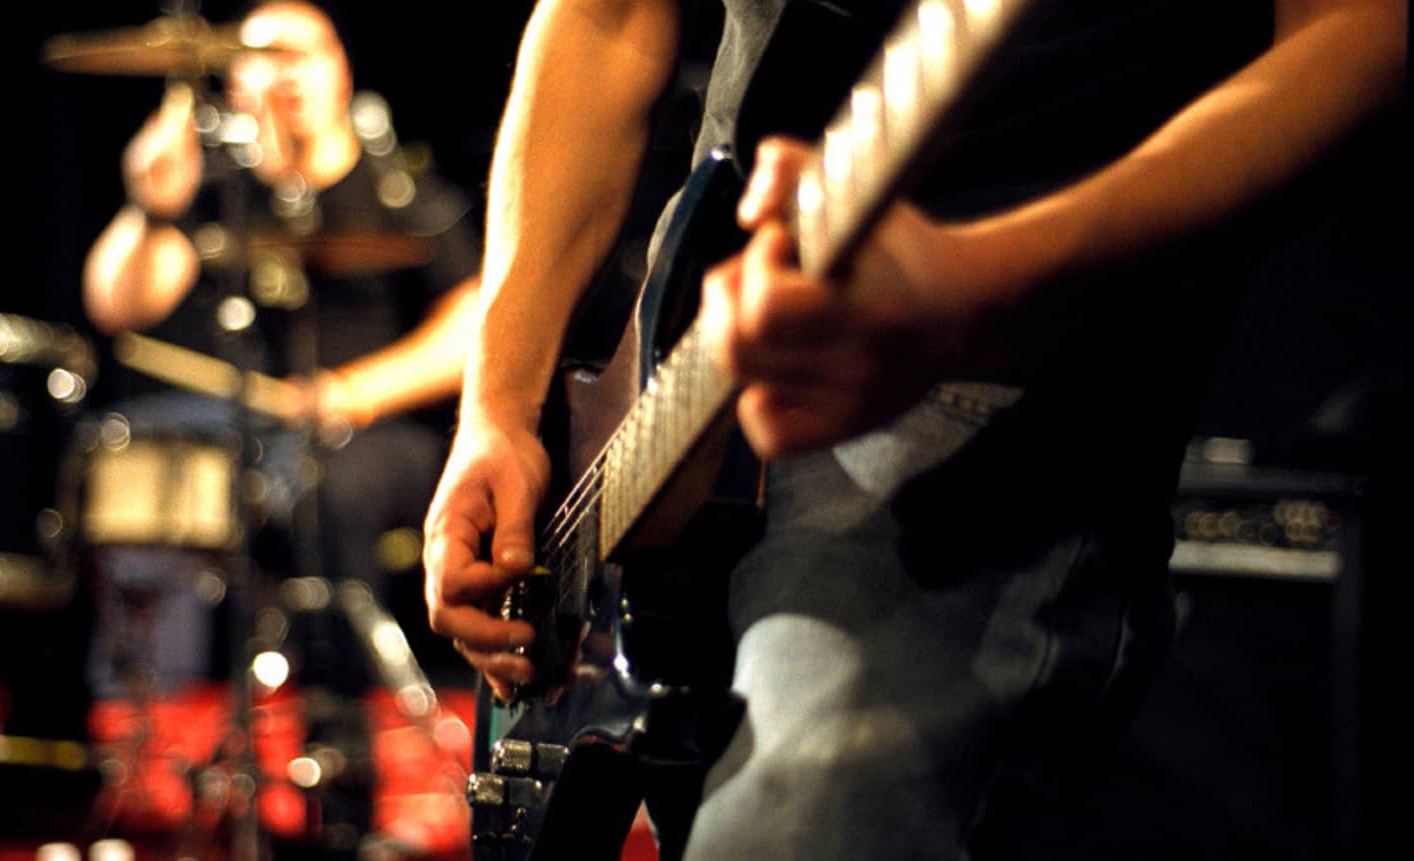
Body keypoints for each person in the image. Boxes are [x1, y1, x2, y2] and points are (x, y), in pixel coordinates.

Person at [423, 0, 1404, 858]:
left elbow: (1362, 28)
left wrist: (982, 282)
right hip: (679, 378)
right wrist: (498, 408)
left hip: (995, 391)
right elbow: (605, 16)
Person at [82, 0, 477, 702]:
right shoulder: (219, 191)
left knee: (330, 492)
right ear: (236, 84)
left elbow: (473, 319)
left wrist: (353, 390)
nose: (289, 74)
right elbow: (119, 304)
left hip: (377, 433)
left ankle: (339, 741)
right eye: (266, 56)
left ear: (342, 72)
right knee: (125, 454)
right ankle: (138, 718)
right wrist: (151, 207)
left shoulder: (399, 189)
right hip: (251, 428)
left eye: (307, 54)